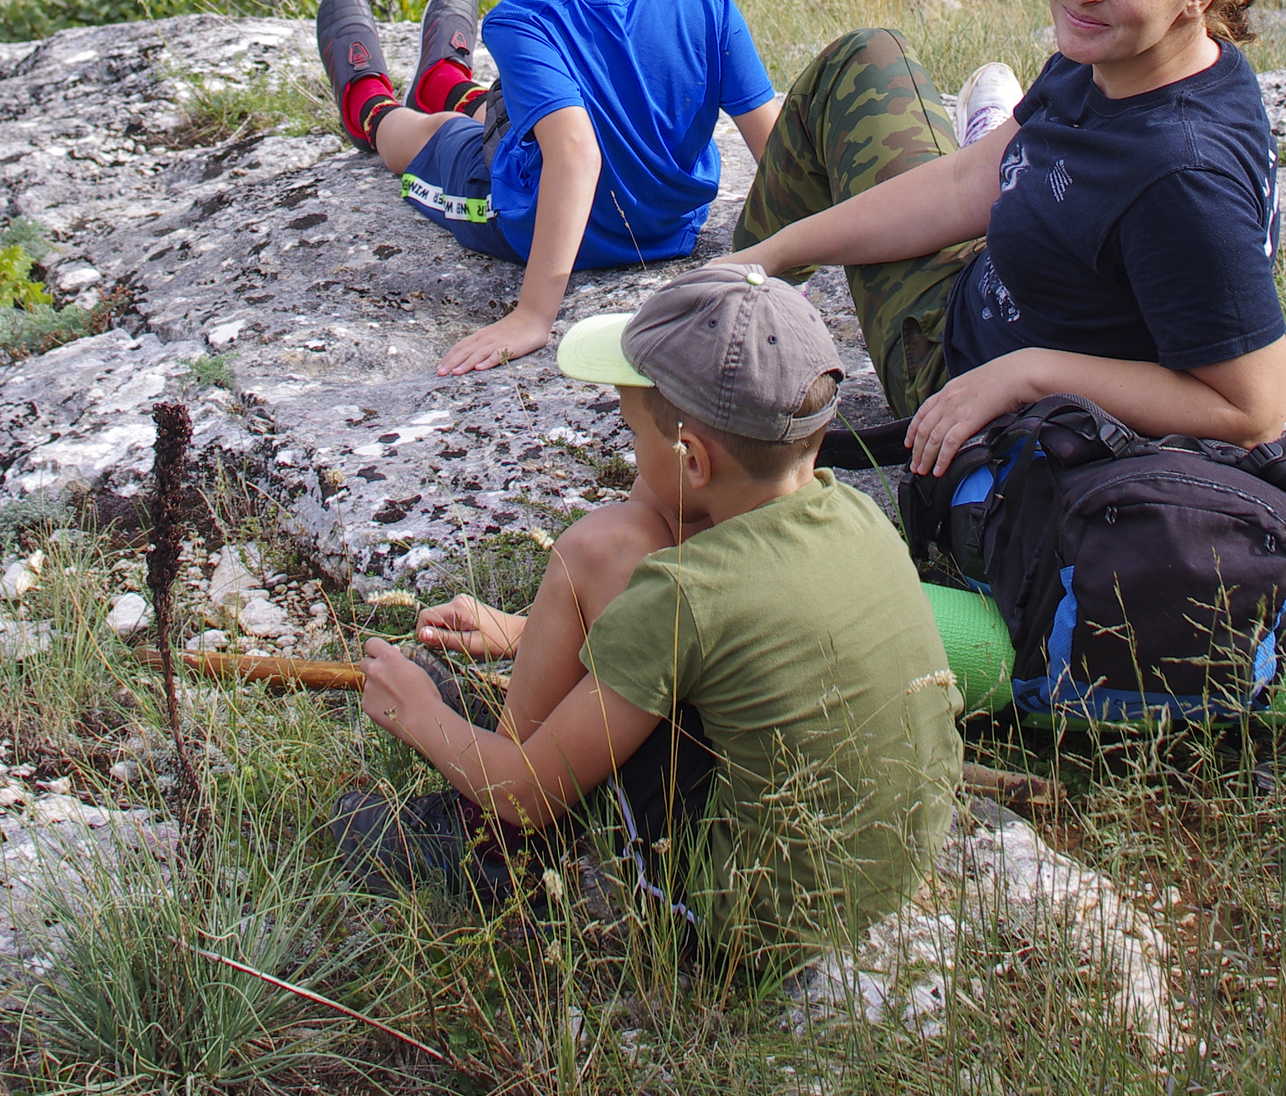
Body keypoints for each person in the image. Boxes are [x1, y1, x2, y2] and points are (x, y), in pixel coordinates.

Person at [337, 265, 963, 954]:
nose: (632, 455)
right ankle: (519, 758)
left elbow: (525, 791)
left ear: (693, 459)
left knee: (597, 547)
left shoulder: (688, 597)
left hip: (741, 924)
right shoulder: (854, 515)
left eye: (633, 433)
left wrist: (420, 713)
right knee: (621, 544)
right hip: (874, 879)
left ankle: (498, 853)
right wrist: (527, 634)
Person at [723, 0, 1286, 478]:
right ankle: (731, 307)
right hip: (998, 281)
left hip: (961, 380)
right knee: (866, 55)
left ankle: (724, 361)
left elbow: (1254, 410)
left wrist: (1026, 375)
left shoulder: (1182, 178)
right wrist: (767, 257)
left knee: (857, 77)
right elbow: (969, 181)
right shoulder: (1118, 60)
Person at [315, 0, 780, 376]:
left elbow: (576, 152)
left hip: (526, 218)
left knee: (435, 134)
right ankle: (447, 82)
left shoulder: (521, 20)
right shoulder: (706, 1)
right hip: (671, 233)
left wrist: (534, 315)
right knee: (534, 100)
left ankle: (370, 105)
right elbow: (774, 146)